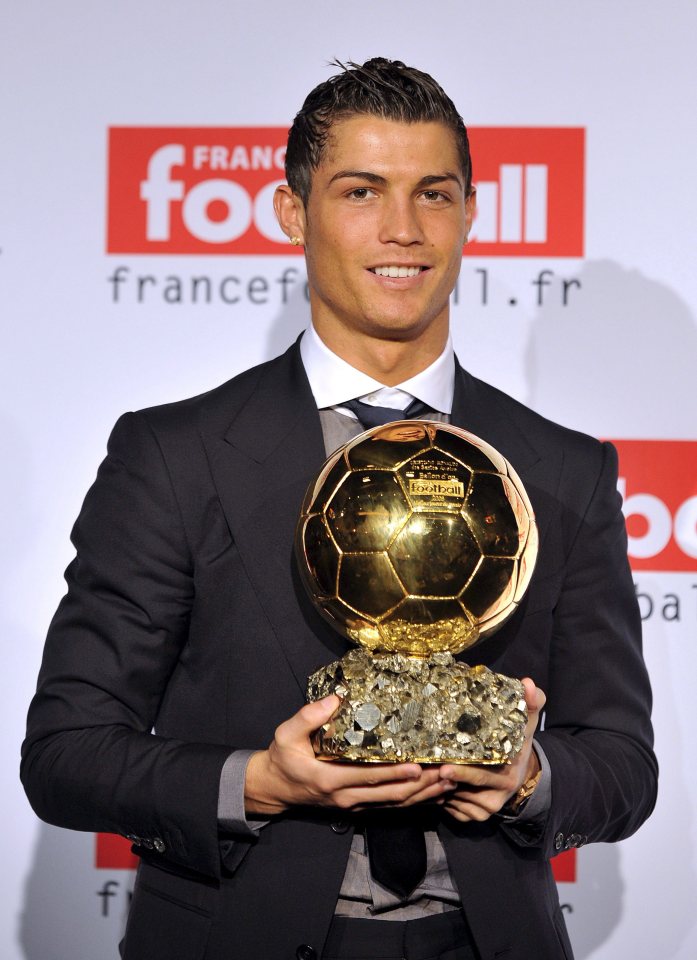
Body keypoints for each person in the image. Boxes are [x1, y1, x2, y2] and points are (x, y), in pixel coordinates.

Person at [21, 58, 657, 960]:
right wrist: (261, 782)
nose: (403, 229)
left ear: (472, 212)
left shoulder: (563, 470)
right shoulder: (173, 455)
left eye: (433, 194)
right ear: (292, 212)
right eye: (361, 191)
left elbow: (624, 767)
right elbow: (67, 754)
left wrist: (529, 776)